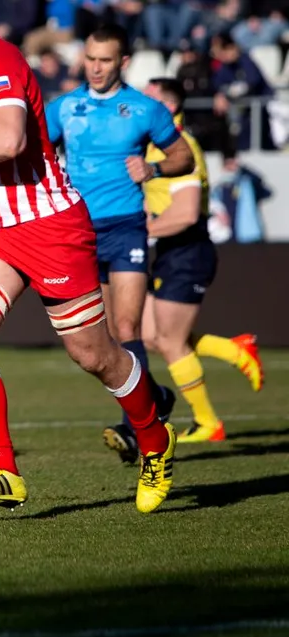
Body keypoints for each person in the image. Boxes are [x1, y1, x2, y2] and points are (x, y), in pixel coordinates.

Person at [0, 0, 177, 514]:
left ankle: (154, 439)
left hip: (49, 228)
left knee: (93, 355)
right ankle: (4, 473)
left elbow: (7, 140)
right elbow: (6, 156)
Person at [45, 22, 194, 463]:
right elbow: (32, 147)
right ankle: (158, 397)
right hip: (79, 230)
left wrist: (153, 170)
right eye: (90, 58)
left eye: (104, 60)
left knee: (128, 329)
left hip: (126, 226)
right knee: (102, 343)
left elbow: (181, 155)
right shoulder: (64, 107)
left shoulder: (145, 109)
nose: (94, 67)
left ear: (122, 62)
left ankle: (137, 429)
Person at [140, 77, 262, 443]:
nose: (140, 106)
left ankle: (208, 422)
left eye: (149, 99)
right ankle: (233, 348)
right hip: (167, 251)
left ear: (169, 107)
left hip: (188, 250)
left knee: (171, 341)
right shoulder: (151, 148)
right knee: (150, 335)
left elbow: (188, 213)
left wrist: (140, 228)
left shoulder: (182, 148)